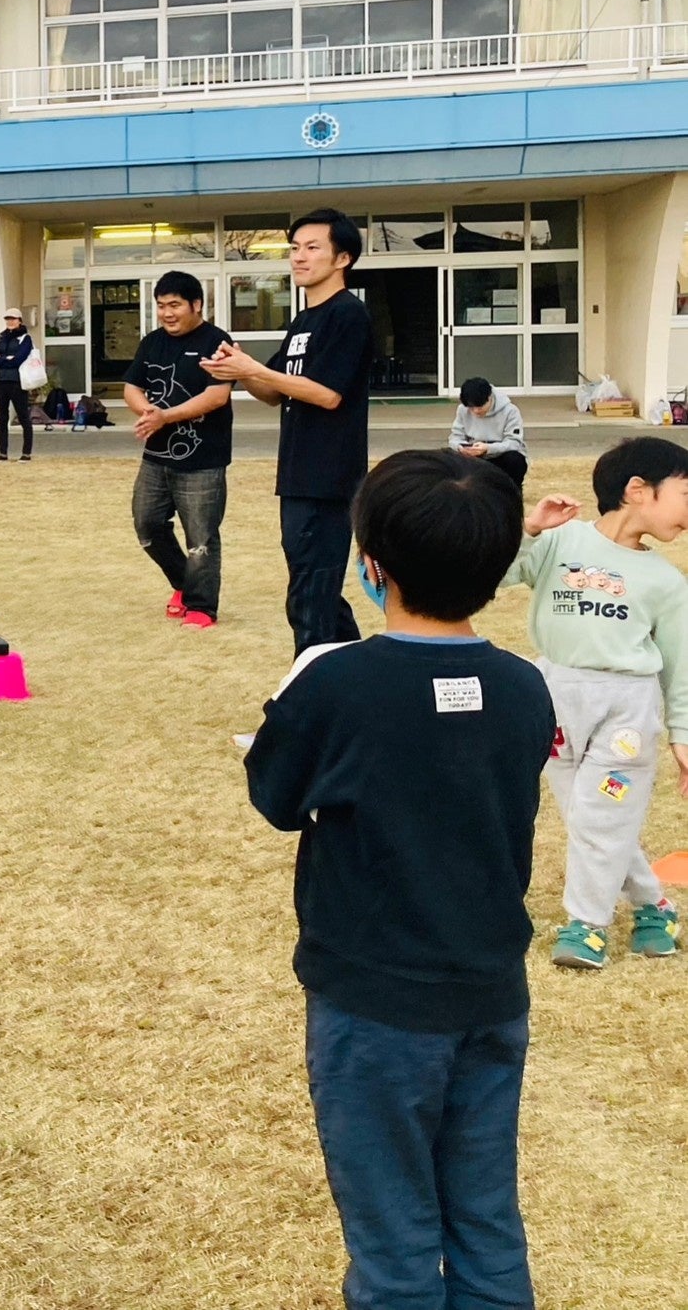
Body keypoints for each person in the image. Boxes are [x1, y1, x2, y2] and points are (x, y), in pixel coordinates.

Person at [245, 449, 552, 1310]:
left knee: (393, 1234)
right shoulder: (525, 686)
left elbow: (275, 795)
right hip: (491, 992)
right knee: (486, 1215)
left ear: (369, 564)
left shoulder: (338, 682)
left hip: (373, 1004)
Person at [505, 437, 688, 970]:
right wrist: (530, 529)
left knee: (603, 812)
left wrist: (681, 734)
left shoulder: (667, 581)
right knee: (589, 818)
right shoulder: (561, 543)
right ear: (638, 490)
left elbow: (680, 665)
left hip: (626, 712)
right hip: (556, 702)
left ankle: (586, 924)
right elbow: (494, 575)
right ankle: (655, 905)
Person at [203, 209, 371, 655]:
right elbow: (274, 391)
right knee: (316, 595)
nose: (299, 257)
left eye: (312, 248)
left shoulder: (348, 316)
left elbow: (329, 394)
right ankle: (355, 683)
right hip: (298, 475)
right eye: (294, 248)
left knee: (309, 601)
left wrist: (253, 369)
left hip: (329, 479)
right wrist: (236, 368)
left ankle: (304, 714)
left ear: (343, 259)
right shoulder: (303, 321)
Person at [121, 270, 234, 630]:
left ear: (196, 305)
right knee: (146, 525)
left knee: (200, 536)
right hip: (156, 457)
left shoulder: (217, 341)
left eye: (175, 305)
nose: (167, 313)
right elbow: (131, 388)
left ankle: (202, 607)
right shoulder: (152, 342)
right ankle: (183, 584)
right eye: (161, 306)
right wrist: (147, 412)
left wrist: (165, 415)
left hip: (203, 460)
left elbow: (217, 396)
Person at [451, 377, 528, 488]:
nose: (476, 411)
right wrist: (460, 447)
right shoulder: (462, 410)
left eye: (480, 406)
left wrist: (488, 448)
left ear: (489, 397)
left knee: (515, 459)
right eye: (471, 408)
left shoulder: (510, 411)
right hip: (473, 457)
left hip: (501, 456)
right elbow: (454, 437)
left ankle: (512, 491)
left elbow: (514, 443)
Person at [0, 306, 35, 461]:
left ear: (20, 321)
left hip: (17, 381)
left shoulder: (25, 338)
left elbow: (18, 359)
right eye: (8, 319)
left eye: (13, 319)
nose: (10, 322)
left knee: (23, 417)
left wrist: (3, 359)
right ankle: (3, 452)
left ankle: (26, 453)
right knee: (2, 418)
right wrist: (6, 359)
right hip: (0, 381)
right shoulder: (1, 337)